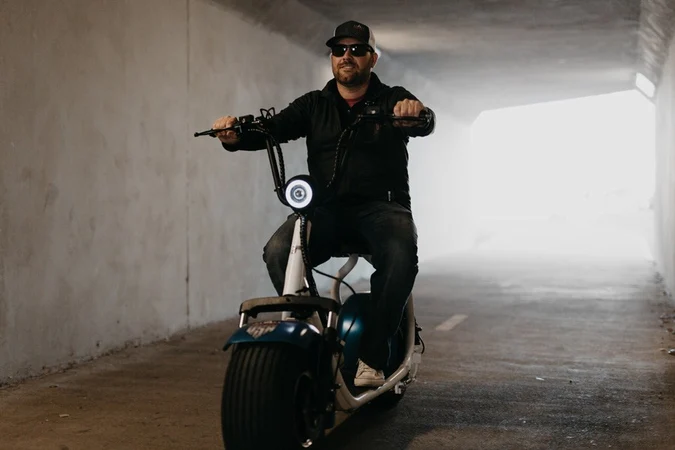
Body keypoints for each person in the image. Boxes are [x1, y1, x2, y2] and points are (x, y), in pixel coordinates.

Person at [212, 20, 436, 387]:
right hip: (327, 210)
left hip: (382, 208)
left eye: (357, 50)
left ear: (372, 59)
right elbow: (273, 129)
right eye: (339, 50)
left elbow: (423, 121)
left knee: (400, 256)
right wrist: (234, 135)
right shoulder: (314, 104)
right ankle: (305, 334)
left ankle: (372, 357)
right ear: (332, 58)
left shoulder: (392, 97)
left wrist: (416, 114)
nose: (347, 56)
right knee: (279, 250)